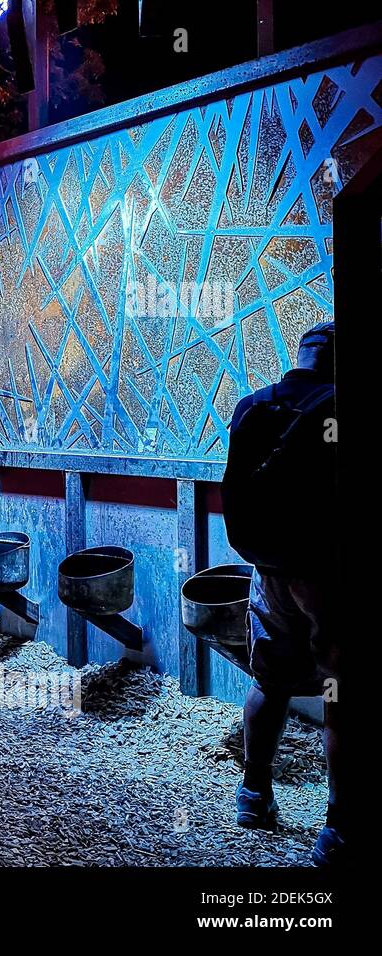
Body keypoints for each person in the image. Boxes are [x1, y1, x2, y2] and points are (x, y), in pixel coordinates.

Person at [221, 321, 340, 866]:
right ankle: (338, 828)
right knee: (340, 690)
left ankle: (253, 795)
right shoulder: (338, 407)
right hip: (329, 573)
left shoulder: (253, 406)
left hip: (267, 565)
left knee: (271, 680)